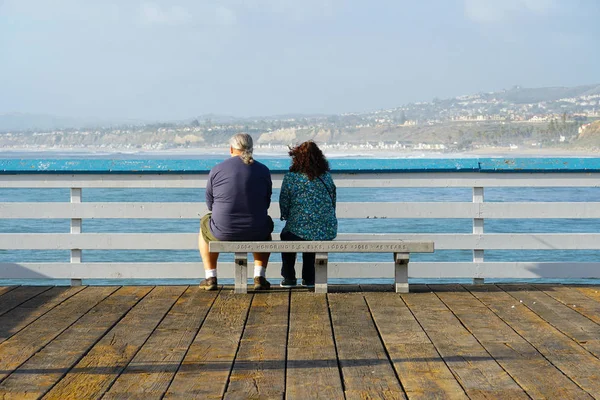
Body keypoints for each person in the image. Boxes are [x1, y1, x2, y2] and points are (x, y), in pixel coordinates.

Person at [198, 133, 273, 291]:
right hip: (256, 231)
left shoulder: (217, 169)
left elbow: (210, 205)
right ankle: (260, 276)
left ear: (231, 149)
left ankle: (210, 276)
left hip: (223, 231)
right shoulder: (263, 170)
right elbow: (266, 203)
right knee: (266, 224)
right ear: (251, 149)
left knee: (204, 224)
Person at [279, 141, 337, 288]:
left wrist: (286, 215)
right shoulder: (326, 177)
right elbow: (332, 201)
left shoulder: (291, 177)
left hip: (298, 229)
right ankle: (309, 278)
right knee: (312, 236)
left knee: (287, 235)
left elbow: (284, 202)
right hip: (326, 228)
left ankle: (289, 277)